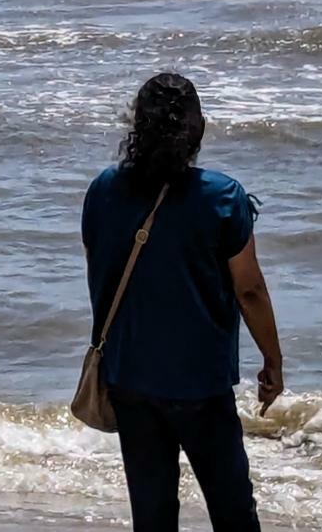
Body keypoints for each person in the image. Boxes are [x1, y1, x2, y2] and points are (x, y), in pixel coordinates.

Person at [83, 73, 281, 532]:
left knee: (152, 519)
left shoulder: (103, 191)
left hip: (129, 378)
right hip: (200, 385)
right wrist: (273, 360)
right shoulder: (222, 198)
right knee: (233, 513)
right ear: (198, 130)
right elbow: (249, 289)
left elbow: (100, 270)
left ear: (136, 126)